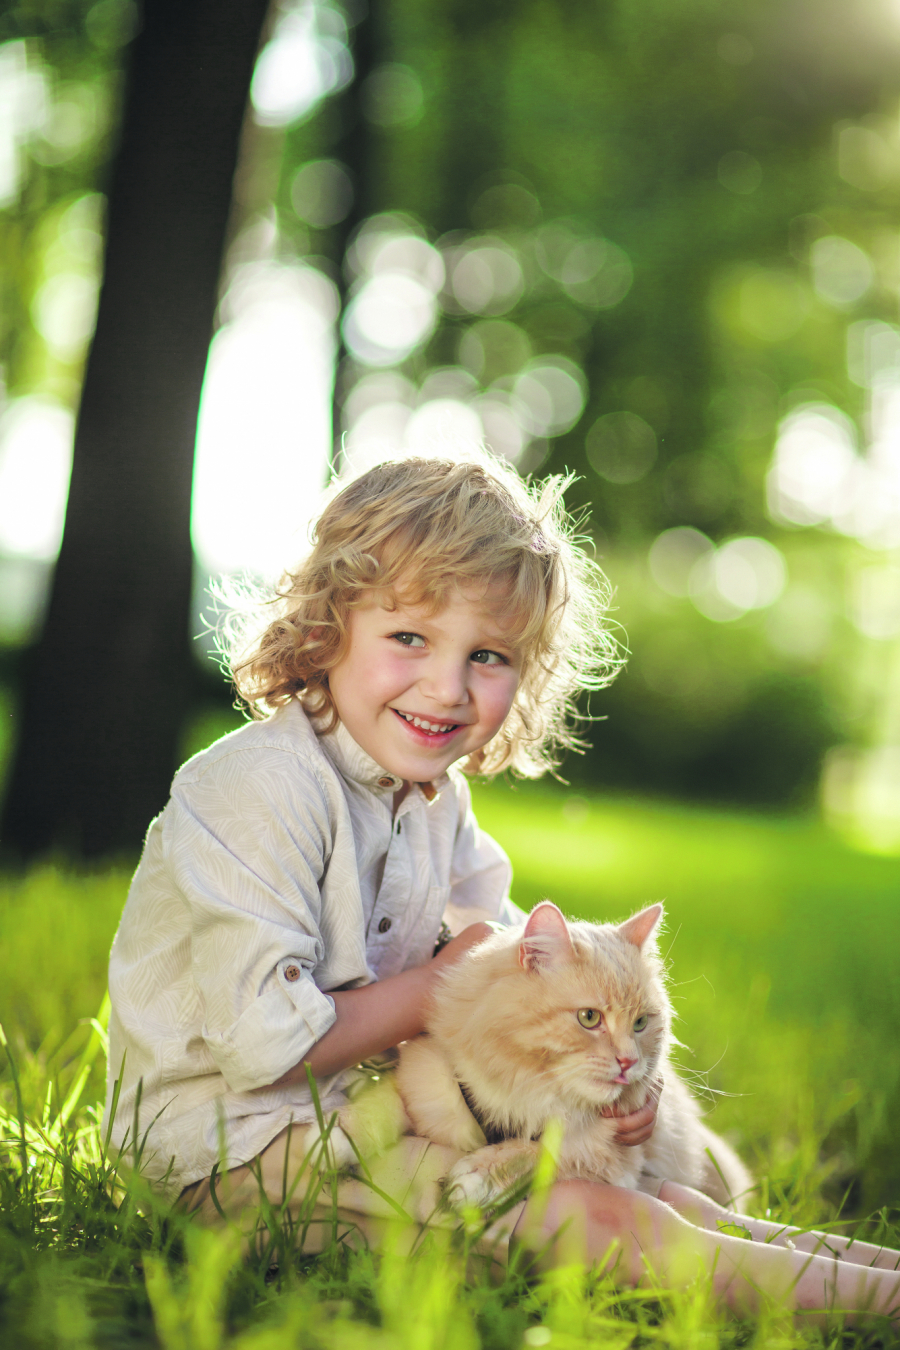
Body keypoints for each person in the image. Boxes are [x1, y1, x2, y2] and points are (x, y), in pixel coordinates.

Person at [104, 452, 900, 1325]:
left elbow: (514, 953)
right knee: (597, 1221)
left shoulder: (434, 799)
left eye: (487, 655)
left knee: (674, 1198)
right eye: (409, 637)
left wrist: (613, 1086)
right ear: (326, 629)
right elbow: (264, 1046)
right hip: (227, 1165)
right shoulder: (258, 786)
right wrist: (438, 984)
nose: (446, 689)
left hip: (362, 1124)